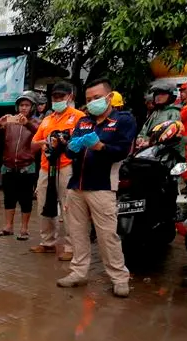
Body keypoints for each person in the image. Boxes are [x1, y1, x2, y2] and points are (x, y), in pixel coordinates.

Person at [59, 77, 135, 298]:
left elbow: (122, 151)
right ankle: (78, 272)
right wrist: (70, 148)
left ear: (109, 97)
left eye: (97, 98)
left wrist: (100, 146)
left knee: (107, 236)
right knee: (77, 233)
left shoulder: (123, 120)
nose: (92, 102)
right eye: (89, 99)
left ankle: (120, 278)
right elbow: (70, 152)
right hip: (77, 185)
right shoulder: (84, 122)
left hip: (102, 186)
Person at [29, 81, 86, 260]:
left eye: (61, 96)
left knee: (69, 207)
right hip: (46, 168)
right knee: (44, 205)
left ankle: (71, 247)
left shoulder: (79, 117)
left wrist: (65, 142)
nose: (58, 99)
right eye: (55, 97)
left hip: (67, 167)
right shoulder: (47, 119)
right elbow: (33, 145)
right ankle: (47, 243)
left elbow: (85, 143)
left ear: (70, 96)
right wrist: (45, 142)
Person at [0, 91, 39, 239]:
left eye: (27, 105)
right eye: (21, 105)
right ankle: (8, 227)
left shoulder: (36, 122)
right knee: (9, 198)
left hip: (27, 167)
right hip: (8, 165)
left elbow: (40, 134)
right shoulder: (10, 122)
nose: (23, 108)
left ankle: (24, 229)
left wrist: (27, 123)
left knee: (26, 199)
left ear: (32, 107)